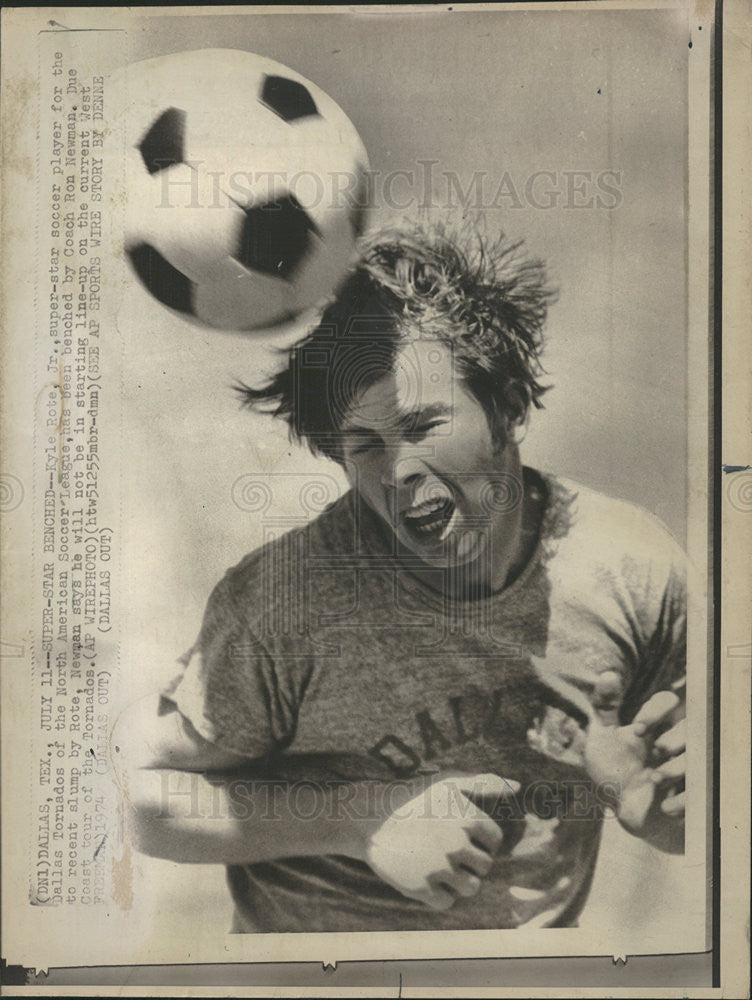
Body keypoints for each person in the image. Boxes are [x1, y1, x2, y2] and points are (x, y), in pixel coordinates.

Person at [117, 222, 687, 932]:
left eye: (422, 425)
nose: (397, 469)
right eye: (364, 444)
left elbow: (699, 821)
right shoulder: (289, 601)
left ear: (506, 408)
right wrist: (360, 821)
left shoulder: (634, 572)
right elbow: (126, 795)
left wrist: (663, 814)